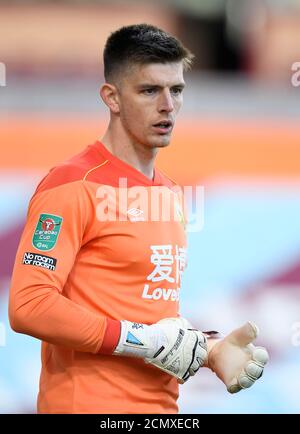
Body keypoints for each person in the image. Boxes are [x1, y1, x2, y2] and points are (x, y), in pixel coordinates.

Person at [9, 24, 268, 414]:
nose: (167, 105)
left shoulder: (169, 193)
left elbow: (148, 316)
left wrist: (208, 351)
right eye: (149, 90)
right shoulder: (72, 184)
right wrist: (139, 340)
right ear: (111, 97)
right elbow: (29, 305)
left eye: (176, 90)